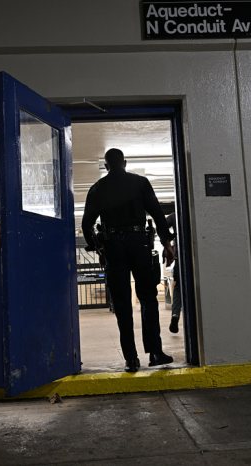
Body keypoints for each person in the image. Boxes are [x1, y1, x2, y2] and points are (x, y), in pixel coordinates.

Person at [82, 148, 175, 373]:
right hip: (139, 245)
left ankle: (131, 359)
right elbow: (157, 214)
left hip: (113, 248)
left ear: (106, 166)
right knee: (148, 299)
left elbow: (86, 224)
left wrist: (98, 247)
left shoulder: (97, 188)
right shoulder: (141, 183)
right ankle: (155, 352)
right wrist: (166, 243)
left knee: (122, 304)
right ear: (125, 162)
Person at [165, 211, 182, 333]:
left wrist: (168, 247)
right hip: (198, 259)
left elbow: (162, 228)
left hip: (180, 258)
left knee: (178, 288)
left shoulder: (173, 216)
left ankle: (175, 315)